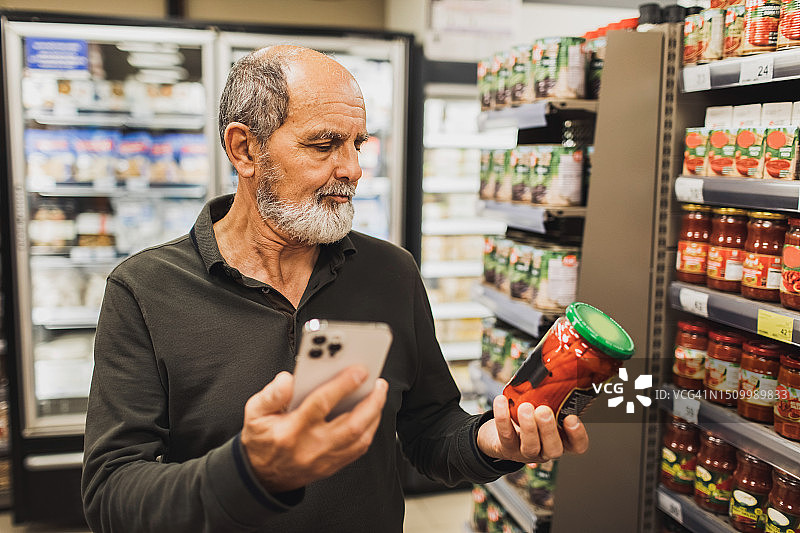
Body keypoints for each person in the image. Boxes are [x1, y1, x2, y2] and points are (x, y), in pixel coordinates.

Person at [81, 45, 589, 533]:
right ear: (244, 149)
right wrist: (248, 472)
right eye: (323, 145)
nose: (352, 170)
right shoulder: (145, 289)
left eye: (357, 144)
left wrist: (490, 442)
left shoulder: (390, 272)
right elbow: (111, 493)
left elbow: (429, 429)